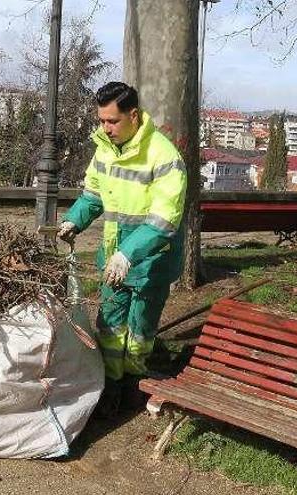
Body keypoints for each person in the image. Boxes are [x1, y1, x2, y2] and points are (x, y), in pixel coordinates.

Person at [59, 81, 187, 416]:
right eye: (102, 121)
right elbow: (92, 196)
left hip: (151, 260)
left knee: (141, 327)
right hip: (114, 256)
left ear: (133, 115)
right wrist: (74, 221)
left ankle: (133, 386)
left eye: (112, 121)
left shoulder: (163, 156)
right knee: (111, 323)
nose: (106, 128)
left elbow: (163, 220)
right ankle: (110, 387)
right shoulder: (104, 149)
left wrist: (128, 253)